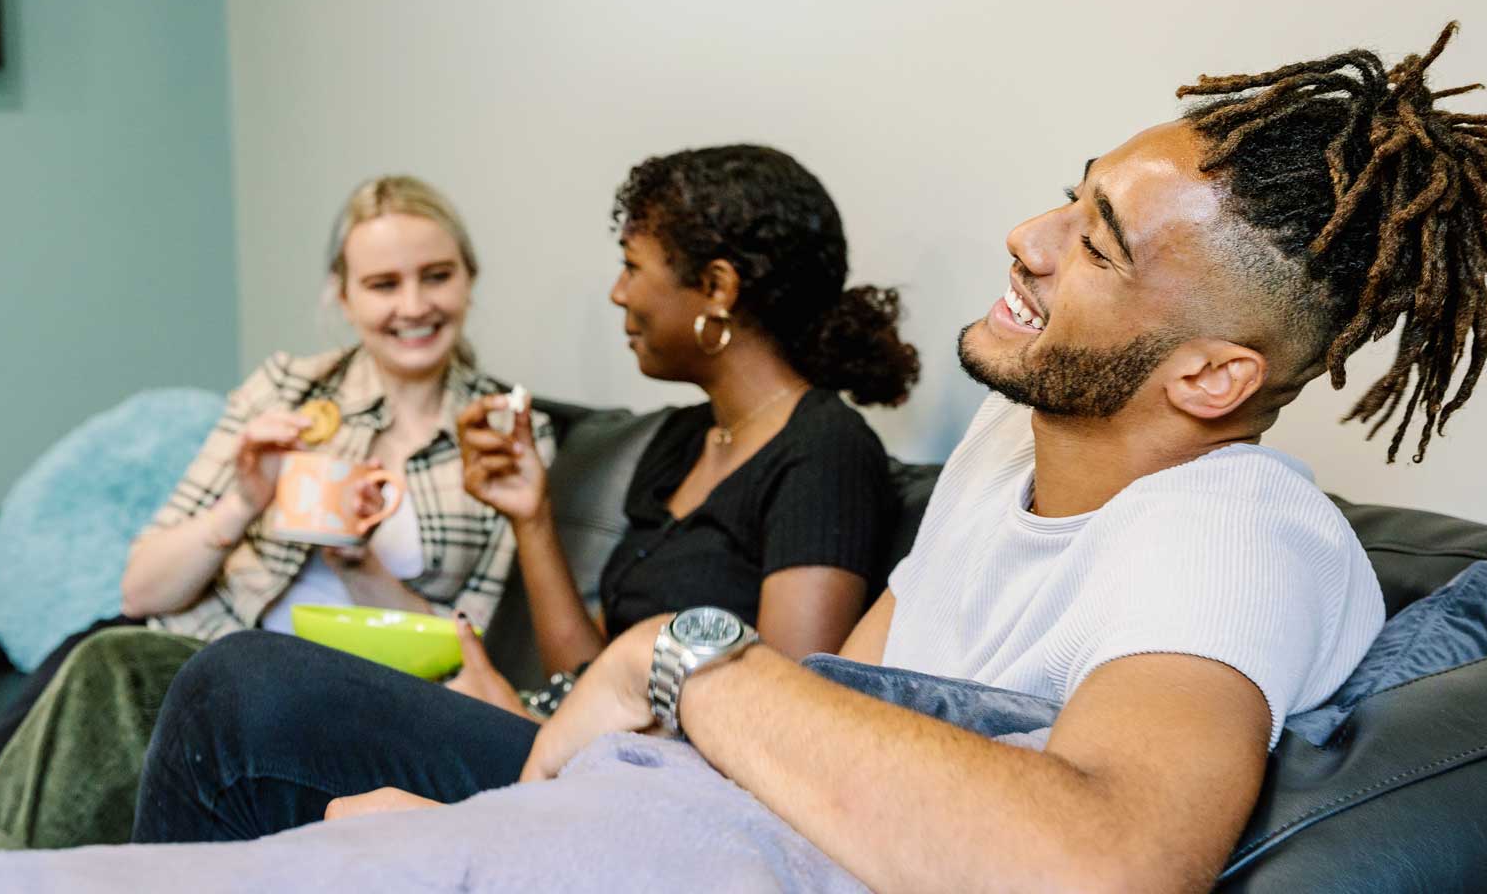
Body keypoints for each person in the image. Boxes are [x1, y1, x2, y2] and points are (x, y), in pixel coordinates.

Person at [134, 24, 1487, 891]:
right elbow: (847, 696)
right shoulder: (1008, 451)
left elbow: (1107, 862)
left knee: (247, 702)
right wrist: (520, 812)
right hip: (710, 810)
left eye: (1096, 242)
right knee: (247, 694)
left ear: (1212, 374)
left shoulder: (1227, 535)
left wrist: (680, 657)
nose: (1028, 236)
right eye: (1070, 200)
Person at [127, 143, 920, 842]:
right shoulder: (681, 441)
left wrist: (544, 724)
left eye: (632, 266)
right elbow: (587, 664)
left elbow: (786, 725)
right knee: (209, 686)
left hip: (653, 781)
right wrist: (532, 517)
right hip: (569, 734)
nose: (616, 293)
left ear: (715, 288)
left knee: (239, 683)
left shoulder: (824, 453)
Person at [0, 174, 555, 854]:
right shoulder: (288, 389)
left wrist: (362, 570)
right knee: (14, 755)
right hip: (188, 639)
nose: (413, 306)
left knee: (91, 698)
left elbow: (470, 653)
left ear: (469, 279)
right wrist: (245, 499)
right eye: (384, 284)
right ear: (344, 295)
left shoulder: (500, 433)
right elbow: (143, 589)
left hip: (325, 691)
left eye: (436, 276)